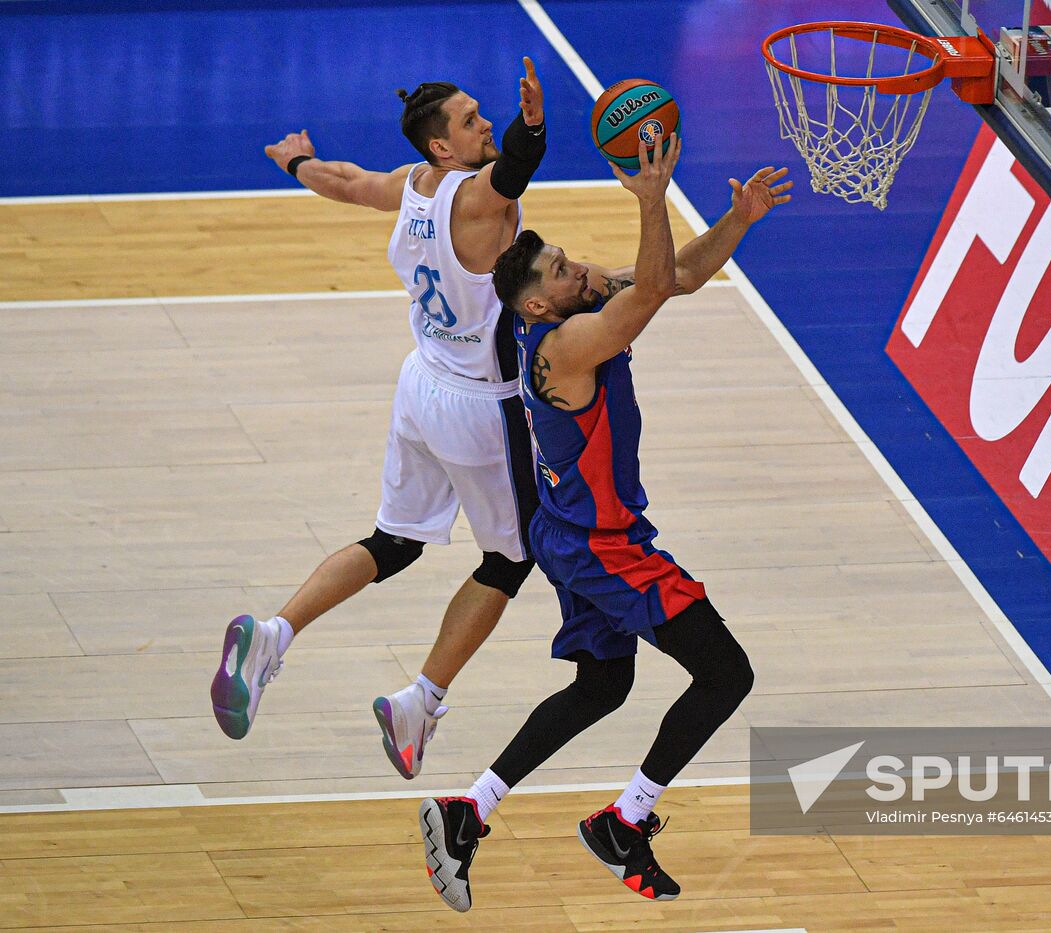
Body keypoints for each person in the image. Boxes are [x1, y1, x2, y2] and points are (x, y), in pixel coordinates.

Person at [416, 135, 793, 911]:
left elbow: (673, 275)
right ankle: (626, 819)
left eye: (566, 256)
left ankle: (469, 809)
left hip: (570, 529)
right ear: (536, 306)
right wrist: (651, 202)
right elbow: (651, 290)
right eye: (561, 269)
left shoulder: (572, 311)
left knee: (603, 684)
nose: (578, 267)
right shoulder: (566, 347)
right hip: (603, 546)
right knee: (727, 673)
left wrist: (738, 219)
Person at [210, 60, 549, 780]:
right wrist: (532, 124)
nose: (483, 122)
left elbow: (342, 180)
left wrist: (296, 159)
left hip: (420, 384)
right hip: (481, 405)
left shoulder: (409, 186)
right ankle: (418, 700)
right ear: (443, 149)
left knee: (393, 541)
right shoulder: (476, 202)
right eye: (470, 120)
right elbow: (518, 165)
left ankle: (273, 633)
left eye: (483, 114)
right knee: (511, 558)